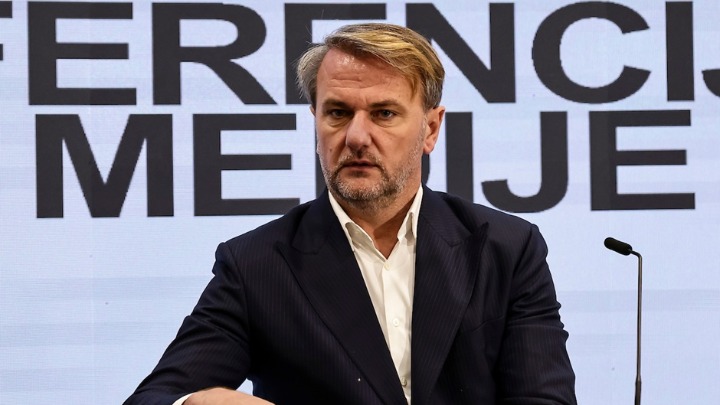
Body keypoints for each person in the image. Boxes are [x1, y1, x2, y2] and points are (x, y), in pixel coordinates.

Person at [124, 22, 576, 405]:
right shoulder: (258, 265)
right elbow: (156, 397)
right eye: (338, 113)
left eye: (384, 113)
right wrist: (195, 403)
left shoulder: (505, 249)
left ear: (430, 128)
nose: (357, 137)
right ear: (315, 120)